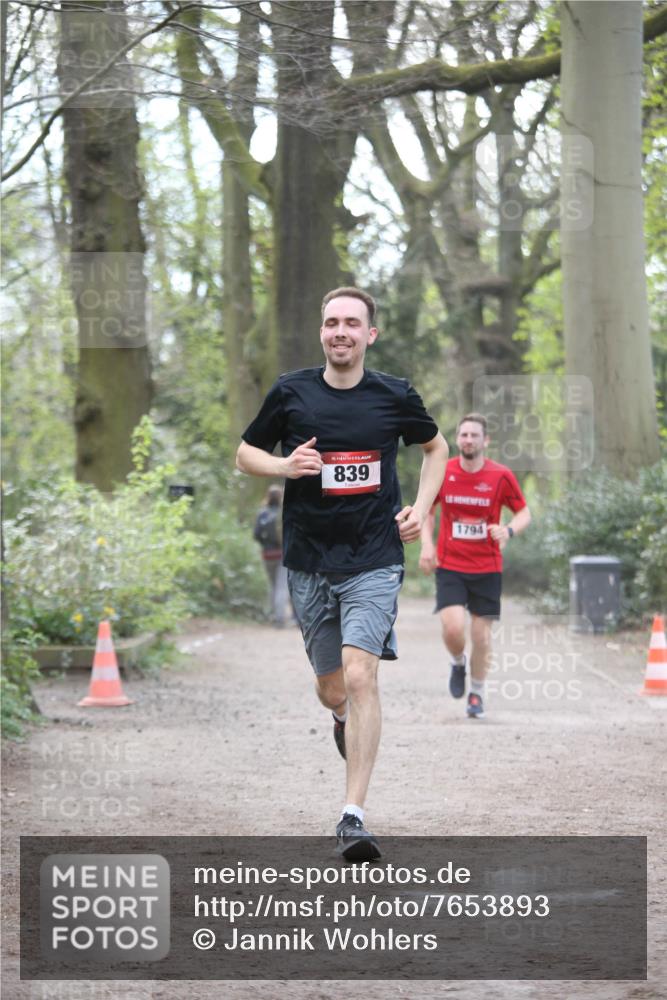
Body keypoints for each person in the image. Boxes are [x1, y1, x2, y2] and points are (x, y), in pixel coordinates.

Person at [236, 286, 448, 860]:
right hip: (308, 561)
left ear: (369, 334)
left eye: (352, 323)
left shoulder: (394, 395)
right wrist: (284, 465)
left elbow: (436, 449)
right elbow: (244, 454)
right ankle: (339, 718)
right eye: (332, 322)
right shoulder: (292, 391)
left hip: (374, 557)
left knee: (360, 677)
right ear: (321, 332)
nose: (341, 332)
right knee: (333, 687)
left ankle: (352, 816)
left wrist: (421, 509)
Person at [419, 413, 531, 720]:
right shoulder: (444, 471)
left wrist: (508, 531)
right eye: (464, 435)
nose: (468, 440)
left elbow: (524, 513)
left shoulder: (500, 475)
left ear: (486, 441)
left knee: (481, 637)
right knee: (453, 627)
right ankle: (458, 662)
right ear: (457, 439)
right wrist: (427, 544)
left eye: (474, 435)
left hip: (487, 567)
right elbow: (427, 511)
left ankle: (477, 692)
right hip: (450, 564)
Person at [253, 484, 290, 627]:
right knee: (281, 587)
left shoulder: (262, 513)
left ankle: (273, 615)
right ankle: (280, 619)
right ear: (281, 497)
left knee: (273, 586)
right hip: (282, 554)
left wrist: (265, 545)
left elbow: (256, 534)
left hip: (267, 555)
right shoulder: (284, 512)